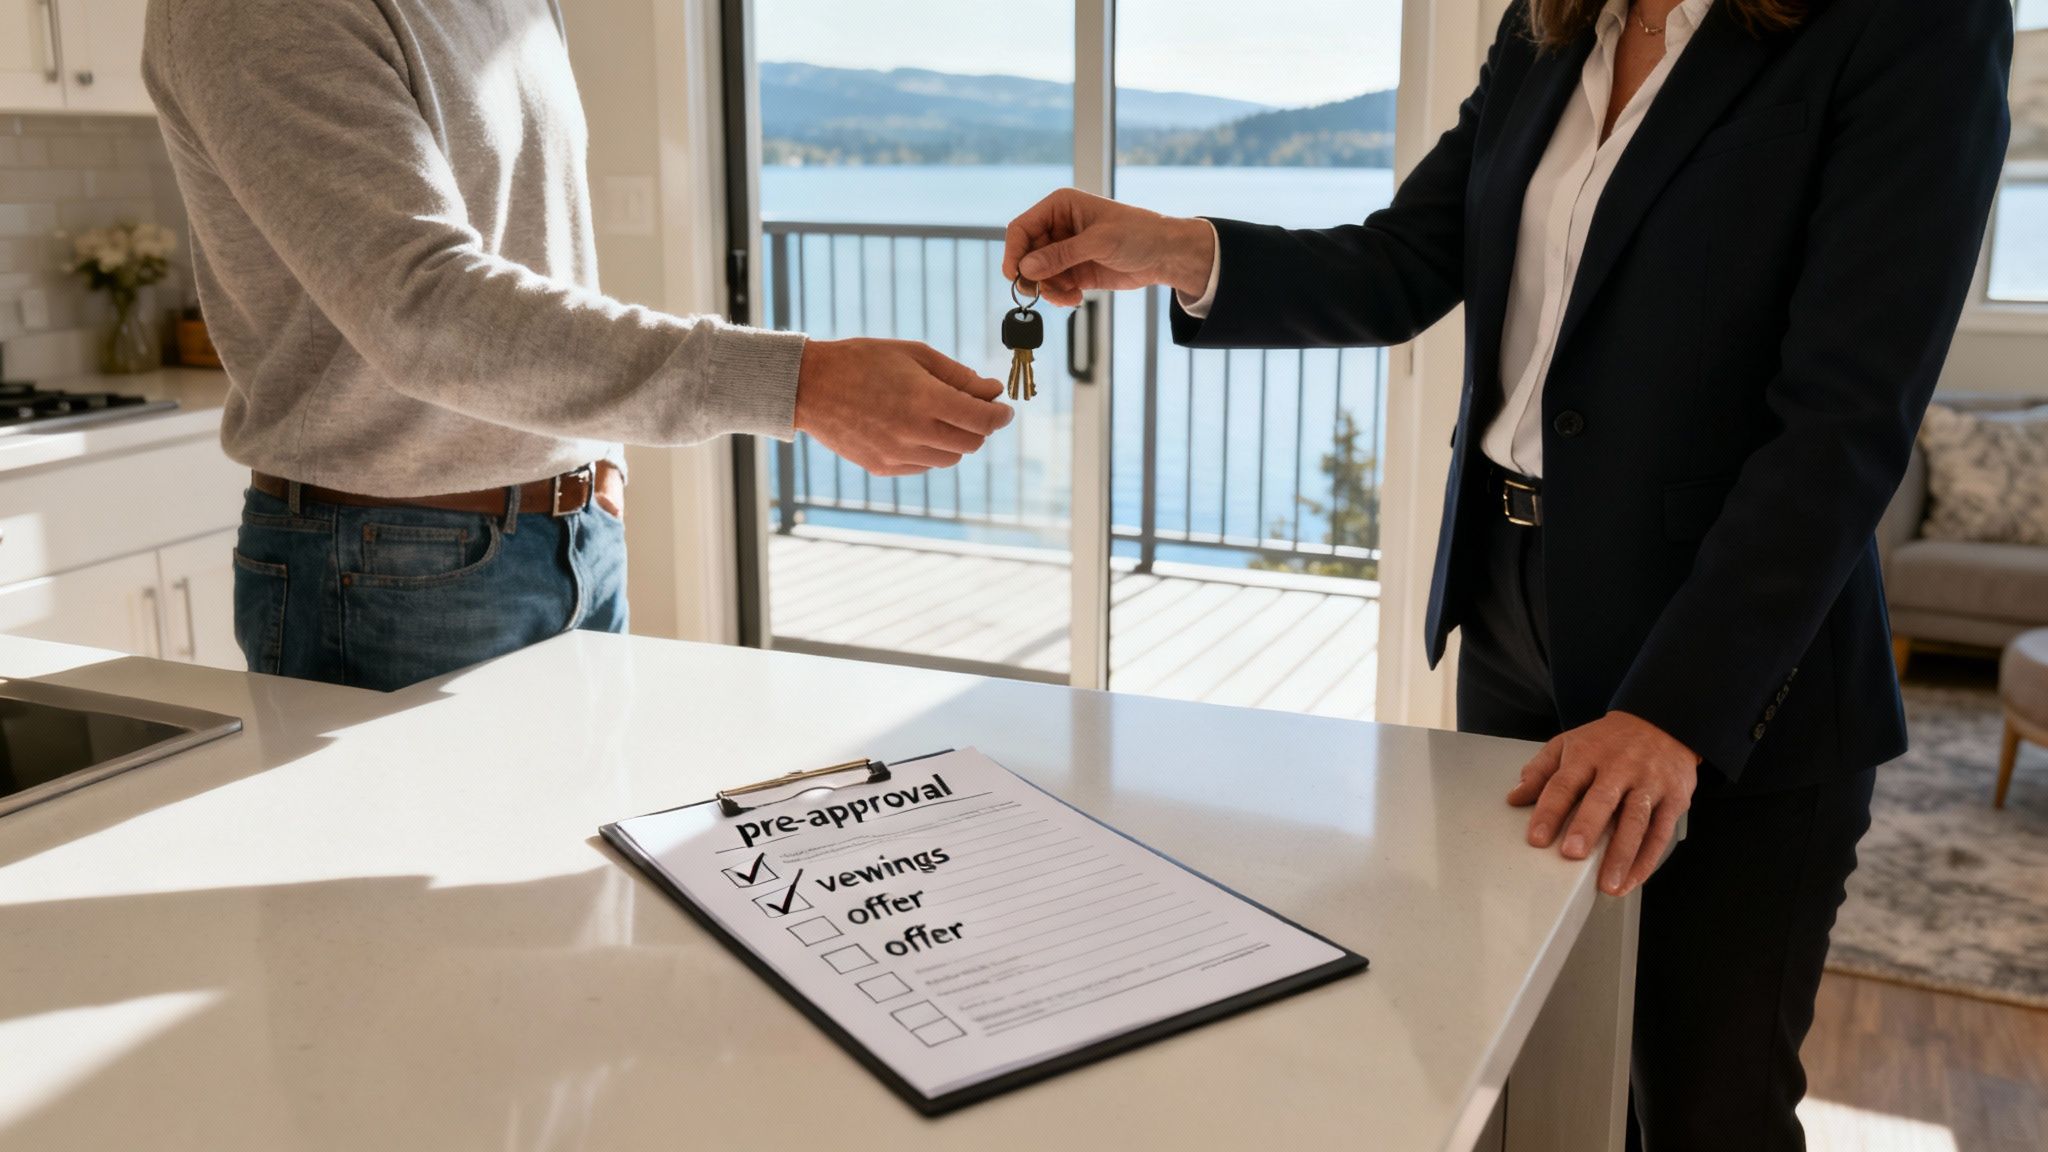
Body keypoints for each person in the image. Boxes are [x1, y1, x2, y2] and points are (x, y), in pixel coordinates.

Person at [1002, 0, 2011, 1146]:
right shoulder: (1551, 24)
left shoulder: (1912, 23)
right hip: (1507, 620)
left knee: (1703, 1106)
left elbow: (1842, 424)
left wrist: (1672, 712)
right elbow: (1401, 262)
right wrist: (1175, 247)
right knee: (1542, 1071)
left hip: (1727, 666)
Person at [142, 0, 1011, 691]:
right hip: (385, 569)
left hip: (577, 536)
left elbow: (539, 252)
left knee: (585, 864)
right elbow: (421, 306)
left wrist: (596, 468)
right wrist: (798, 382)